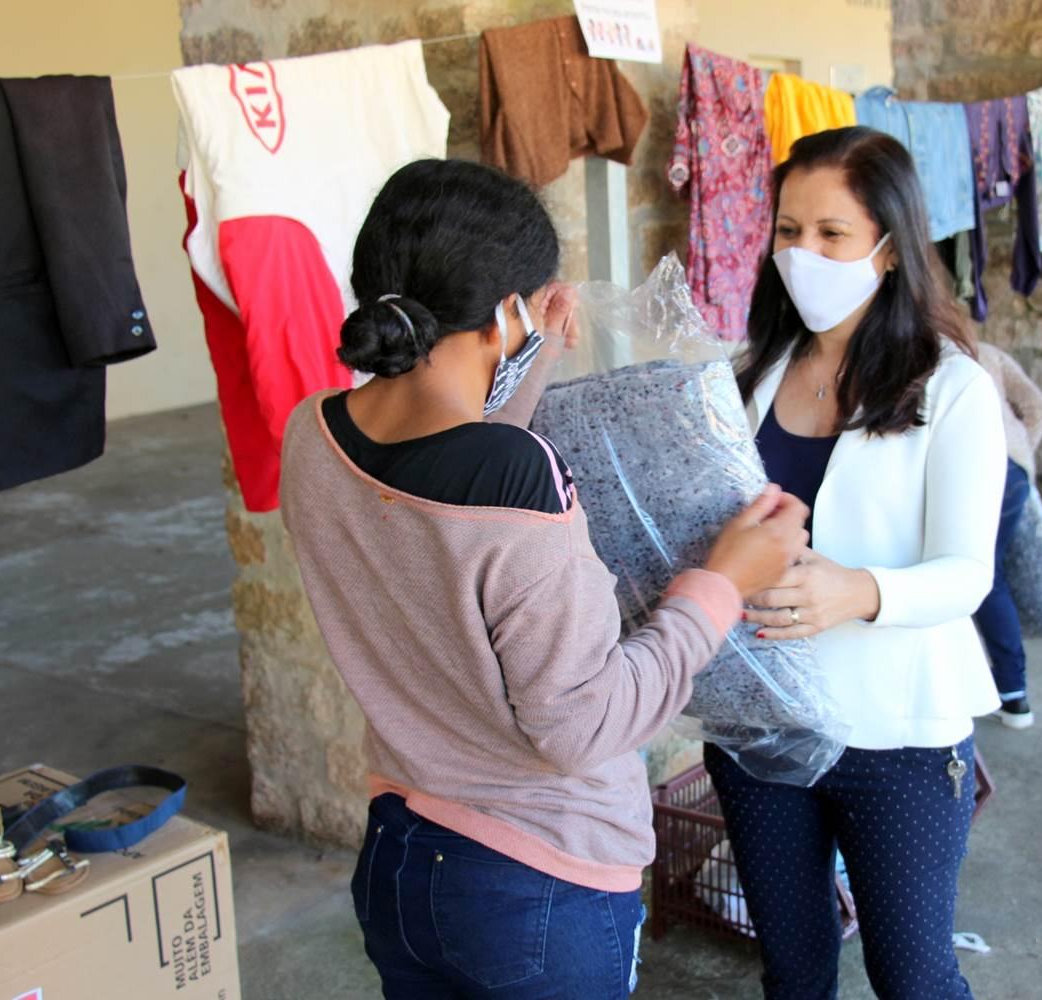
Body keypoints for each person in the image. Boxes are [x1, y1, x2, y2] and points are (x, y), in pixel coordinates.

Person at [278, 159, 809, 1000]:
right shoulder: (517, 476)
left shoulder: (312, 433)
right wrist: (721, 585)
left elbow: (444, 508)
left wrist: (530, 367)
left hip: (402, 860)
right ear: (505, 313)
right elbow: (579, 723)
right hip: (535, 885)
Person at [710, 126, 1007, 1000]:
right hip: (761, 719)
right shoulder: (752, 371)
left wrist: (861, 592)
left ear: (888, 247)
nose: (803, 253)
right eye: (788, 230)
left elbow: (967, 572)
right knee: (794, 972)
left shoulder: (950, 388)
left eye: (831, 233)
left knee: (911, 974)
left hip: (897, 737)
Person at [974, 341, 1042, 729]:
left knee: (980, 577)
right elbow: (1038, 407)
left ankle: (1011, 694)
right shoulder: (987, 352)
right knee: (988, 574)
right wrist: (1019, 451)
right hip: (1012, 469)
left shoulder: (915, 349)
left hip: (978, 470)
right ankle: (1010, 691)